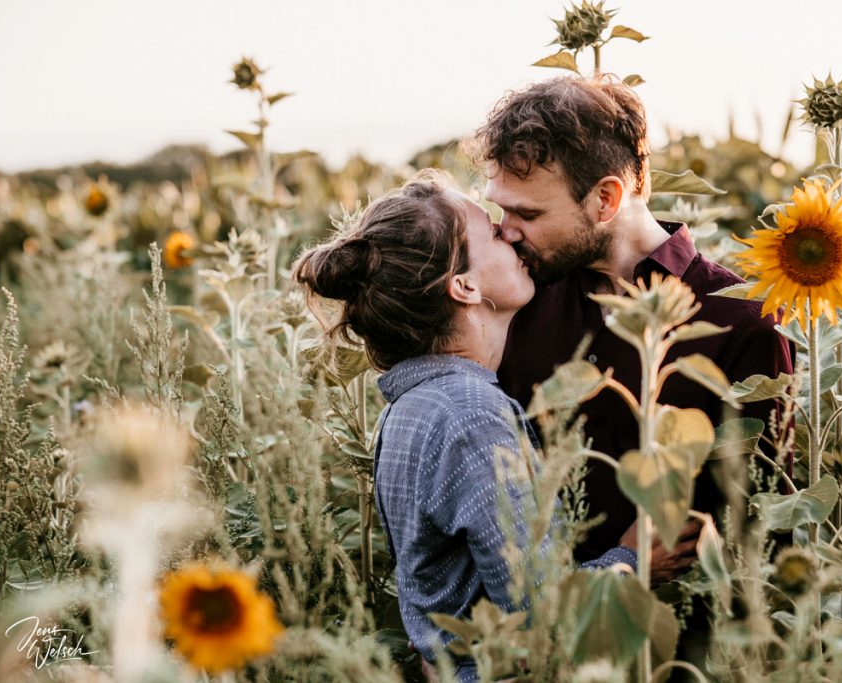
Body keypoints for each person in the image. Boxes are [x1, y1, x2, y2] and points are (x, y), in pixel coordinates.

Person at [293, 171, 684, 682]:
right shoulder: (471, 415)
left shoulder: (410, 408)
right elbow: (543, 616)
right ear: (464, 286)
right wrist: (634, 559)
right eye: (493, 232)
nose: (511, 234)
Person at [468, 75, 795, 660]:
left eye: (528, 213)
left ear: (606, 199)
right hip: (533, 645)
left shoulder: (740, 321)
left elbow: (764, 531)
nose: (507, 231)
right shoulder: (522, 296)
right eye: (501, 209)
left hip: (677, 652)